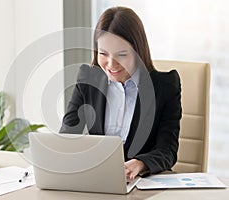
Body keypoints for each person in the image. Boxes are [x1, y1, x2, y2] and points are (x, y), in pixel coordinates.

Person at [60, 7, 182, 180]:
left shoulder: (166, 86)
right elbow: (67, 136)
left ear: (138, 52)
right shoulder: (88, 79)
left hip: (142, 184)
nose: (111, 64)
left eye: (122, 55)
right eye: (103, 53)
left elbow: (167, 150)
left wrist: (140, 163)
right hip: (97, 181)